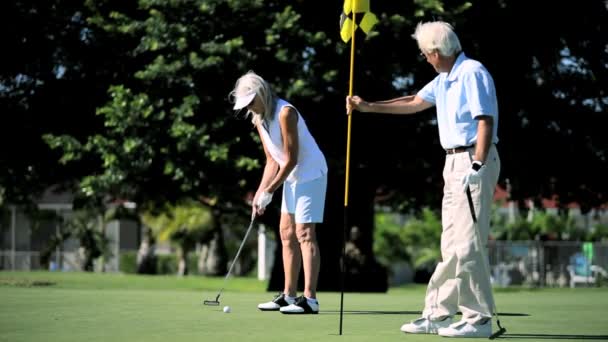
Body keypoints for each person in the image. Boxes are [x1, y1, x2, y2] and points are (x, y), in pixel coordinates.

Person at [346, 21, 501, 338]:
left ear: (435, 51)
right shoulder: (444, 78)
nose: (424, 58)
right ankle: (439, 314)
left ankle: (479, 319)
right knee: (451, 243)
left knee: (468, 243)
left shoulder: (472, 72)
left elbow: (485, 120)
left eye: (424, 53)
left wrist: (478, 163)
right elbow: (415, 102)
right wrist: (367, 107)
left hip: (473, 159)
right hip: (452, 162)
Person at [230, 71, 328, 314]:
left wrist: (271, 190)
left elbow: (292, 158)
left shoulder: (286, 113)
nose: (250, 107)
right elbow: (272, 161)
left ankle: (310, 300)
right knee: (286, 234)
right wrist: (260, 193)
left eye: (252, 101)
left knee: (305, 233)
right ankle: (289, 296)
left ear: (262, 94)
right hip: (291, 175)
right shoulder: (258, 119)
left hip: (310, 172)